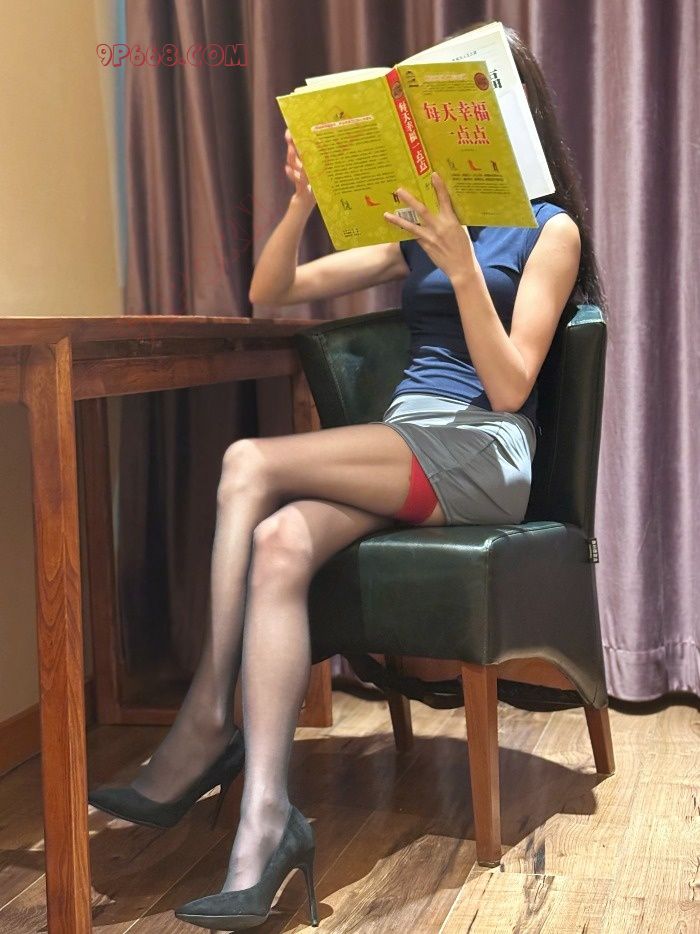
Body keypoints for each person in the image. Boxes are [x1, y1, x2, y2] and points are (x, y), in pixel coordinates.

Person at [88, 21, 606, 931]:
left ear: (503, 117)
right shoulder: (416, 226)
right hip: (407, 444)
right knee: (280, 540)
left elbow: (511, 385)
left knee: (249, 461)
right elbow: (272, 292)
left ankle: (207, 719)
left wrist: (463, 265)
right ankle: (266, 821)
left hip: (482, 450)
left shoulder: (549, 229)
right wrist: (300, 204)